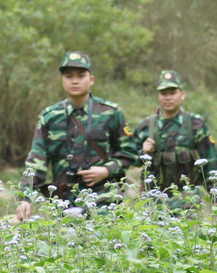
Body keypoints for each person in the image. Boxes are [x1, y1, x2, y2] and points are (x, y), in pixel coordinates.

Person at [16, 51, 137, 220]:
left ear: (91, 79)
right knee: (65, 244)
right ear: (62, 81)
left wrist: (106, 170)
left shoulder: (110, 113)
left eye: (81, 75)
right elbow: (37, 160)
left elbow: (129, 153)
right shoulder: (49, 116)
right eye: (68, 76)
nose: (74, 81)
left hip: (104, 199)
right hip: (64, 200)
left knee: (106, 244)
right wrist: (25, 197)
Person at [134, 70, 217, 209]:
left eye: (172, 93)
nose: (168, 98)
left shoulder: (196, 124)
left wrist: (216, 196)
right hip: (154, 201)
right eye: (164, 93)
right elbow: (130, 159)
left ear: (182, 95)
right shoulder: (145, 127)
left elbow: (211, 161)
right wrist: (143, 152)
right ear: (158, 96)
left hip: (187, 199)